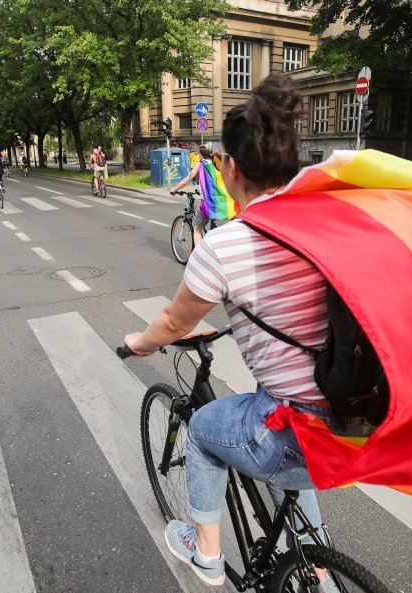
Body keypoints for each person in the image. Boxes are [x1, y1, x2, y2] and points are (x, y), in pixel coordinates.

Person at [123, 73, 337, 591]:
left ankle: (207, 556)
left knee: (201, 433)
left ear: (231, 168)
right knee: (292, 460)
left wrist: (138, 343)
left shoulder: (225, 245)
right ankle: (319, 568)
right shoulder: (326, 220)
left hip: (296, 426)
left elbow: (175, 322)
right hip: (354, 413)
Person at [169, 144, 230, 249]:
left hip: (208, 203)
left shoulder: (201, 165)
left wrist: (174, 190)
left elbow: (185, 181)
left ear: (201, 155)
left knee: (197, 228)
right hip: (223, 201)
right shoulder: (219, 164)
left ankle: (199, 256)